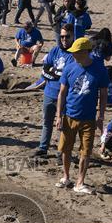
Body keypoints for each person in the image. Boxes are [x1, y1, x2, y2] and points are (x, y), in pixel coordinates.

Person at [55, 37, 109, 194]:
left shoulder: (100, 70)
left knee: (85, 152)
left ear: (85, 52)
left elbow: (104, 94)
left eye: (76, 52)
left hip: (88, 118)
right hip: (69, 115)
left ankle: (80, 182)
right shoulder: (69, 68)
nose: (73, 55)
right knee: (65, 149)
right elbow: (62, 93)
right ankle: (66, 177)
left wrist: (101, 116)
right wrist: (59, 115)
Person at [34, 26, 73, 157]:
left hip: (66, 96)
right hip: (49, 92)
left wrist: (55, 73)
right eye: (62, 36)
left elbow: (69, 75)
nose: (64, 39)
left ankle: (61, 152)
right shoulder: (55, 50)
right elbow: (44, 70)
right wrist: (57, 75)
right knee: (47, 122)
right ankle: (43, 147)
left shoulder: (75, 54)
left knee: (64, 126)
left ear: (73, 36)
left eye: (67, 36)